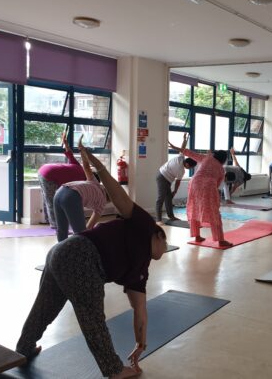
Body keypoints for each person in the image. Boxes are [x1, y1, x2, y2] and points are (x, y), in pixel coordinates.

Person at [16, 140, 168, 379]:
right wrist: (98, 165)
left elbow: (140, 309)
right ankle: (114, 370)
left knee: (46, 306)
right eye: (165, 244)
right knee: (92, 318)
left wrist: (141, 343)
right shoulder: (144, 225)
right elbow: (118, 195)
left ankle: (24, 348)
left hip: (63, 253)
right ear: (159, 236)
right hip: (82, 257)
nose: (163, 252)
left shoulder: (141, 268)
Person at [168, 139, 232, 247]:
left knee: (194, 208)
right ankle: (221, 241)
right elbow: (217, 184)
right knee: (214, 212)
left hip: (194, 183)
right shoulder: (221, 169)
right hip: (208, 186)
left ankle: (197, 236)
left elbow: (189, 153)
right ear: (223, 160)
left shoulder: (206, 158)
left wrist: (175, 147)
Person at [53, 136, 108, 242]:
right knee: (81, 235)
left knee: (62, 231)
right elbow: (89, 227)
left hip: (60, 191)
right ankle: (77, 256)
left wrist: (82, 150)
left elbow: (86, 167)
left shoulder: (95, 183)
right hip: (71, 196)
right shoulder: (102, 204)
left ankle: (61, 255)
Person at [37, 130, 86, 228]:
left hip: (43, 170)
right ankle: (55, 225)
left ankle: (50, 221)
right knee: (52, 200)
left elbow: (69, 153)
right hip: (49, 175)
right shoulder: (83, 181)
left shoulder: (78, 166)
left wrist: (65, 142)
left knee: (47, 199)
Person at [155, 133, 196, 225]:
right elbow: (178, 182)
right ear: (188, 165)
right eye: (191, 167)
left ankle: (171, 216)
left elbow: (182, 148)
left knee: (168, 198)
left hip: (166, 178)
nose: (190, 169)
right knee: (161, 198)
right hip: (162, 177)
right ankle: (158, 220)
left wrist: (184, 139)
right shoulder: (181, 170)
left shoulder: (181, 157)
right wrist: (175, 192)